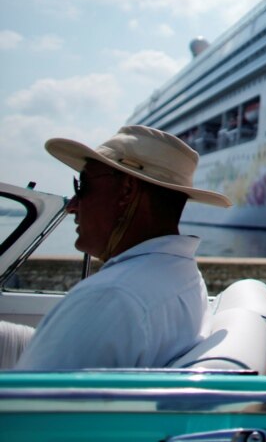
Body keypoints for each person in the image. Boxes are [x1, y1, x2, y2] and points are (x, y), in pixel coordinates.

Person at [14, 125, 232, 370]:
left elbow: (25, 405)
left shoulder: (108, 298)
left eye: (82, 187)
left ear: (127, 191)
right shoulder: (183, 276)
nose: (72, 206)